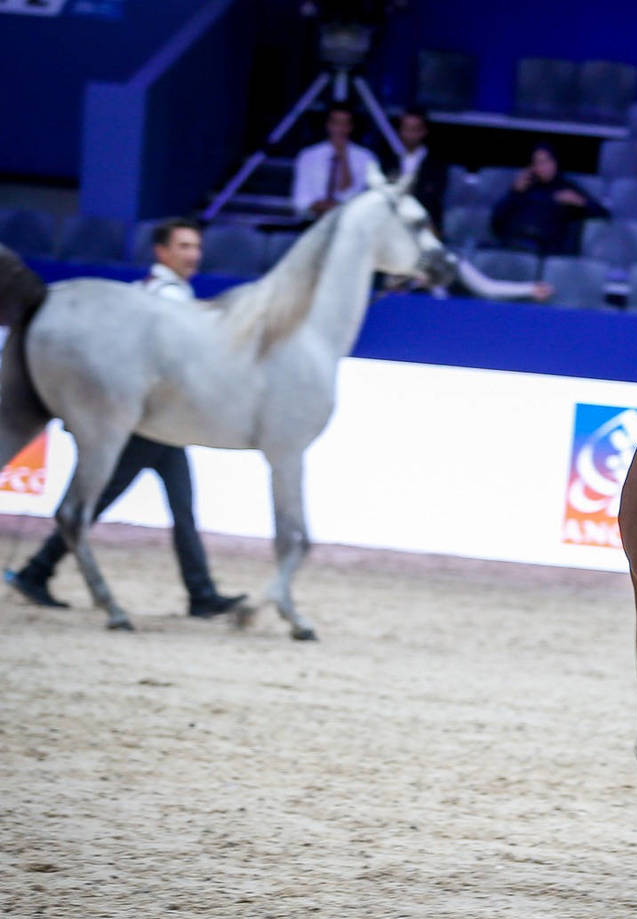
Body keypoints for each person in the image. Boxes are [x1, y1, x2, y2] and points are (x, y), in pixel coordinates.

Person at [5, 220, 246, 618]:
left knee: (177, 507)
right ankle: (38, 571)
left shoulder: (167, 294)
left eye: (196, 246)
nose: (193, 255)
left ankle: (201, 592)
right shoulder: (163, 298)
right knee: (99, 501)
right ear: (161, 251)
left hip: (163, 422)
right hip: (146, 423)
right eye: (184, 246)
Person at [490, 143, 609, 257]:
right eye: (538, 163)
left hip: (546, 250)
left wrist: (580, 202)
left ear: (555, 163)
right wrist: (514, 193)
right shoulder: (523, 188)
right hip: (513, 243)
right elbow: (496, 221)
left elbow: (603, 214)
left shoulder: (566, 188)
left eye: (546, 161)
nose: (543, 167)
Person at [292, 104, 381, 220]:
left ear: (351, 127)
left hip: (348, 223)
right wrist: (321, 207)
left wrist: (344, 157)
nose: (340, 129)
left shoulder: (367, 158)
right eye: (336, 123)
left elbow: (359, 197)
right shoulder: (307, 156)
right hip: (312, 221)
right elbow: (300, 200)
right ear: (328, 125)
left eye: (345, 124)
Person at [382, 108, 449, 226]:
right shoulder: (387, 160)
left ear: (423, 131)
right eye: (406, 129)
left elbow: (434, 198)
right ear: (400, 130)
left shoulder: (436, 163)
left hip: (423, 223)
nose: (410, 134)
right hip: (390, 223)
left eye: (414, 129)